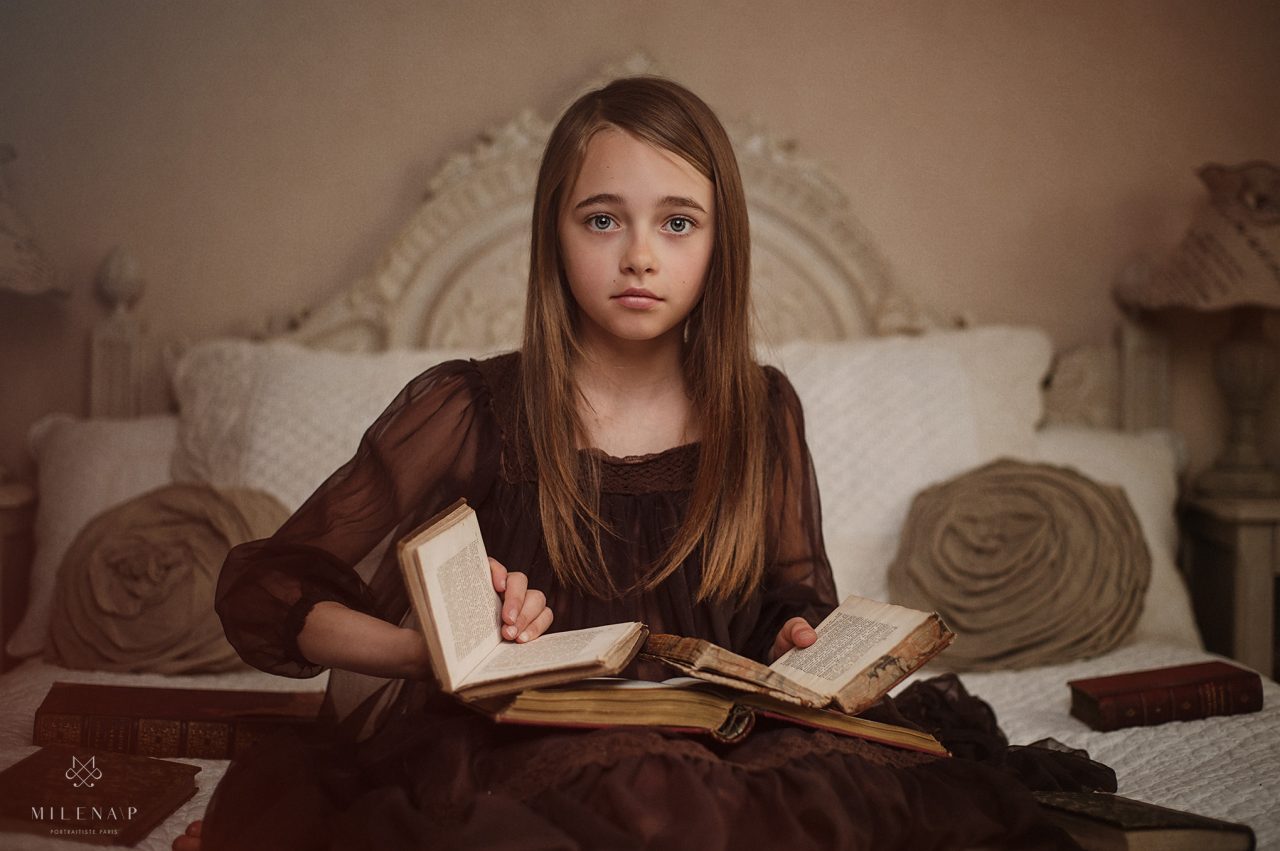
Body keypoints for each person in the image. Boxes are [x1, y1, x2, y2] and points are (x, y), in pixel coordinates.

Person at [181, 76, 1094, 851]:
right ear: (555, 234)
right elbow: (266, 591)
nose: (641, 256)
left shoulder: (762, 410)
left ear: (719, 242)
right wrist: (431, 654)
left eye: (679, 222)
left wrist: (796, 639)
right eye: (604, 218)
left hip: (727, 744)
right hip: (517, 752)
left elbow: (793, 597)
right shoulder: (470, 408)